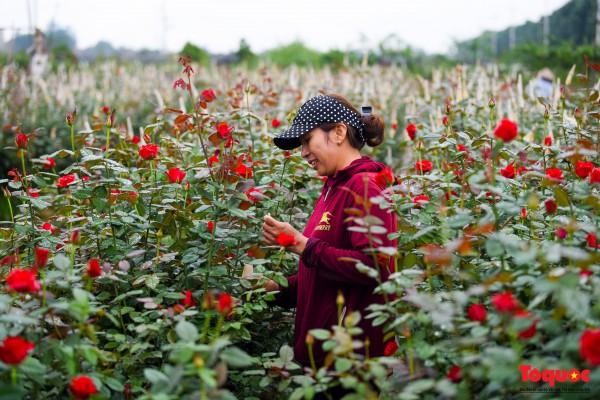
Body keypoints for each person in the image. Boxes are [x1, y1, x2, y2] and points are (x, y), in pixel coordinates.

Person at [261, 93, 398, 394]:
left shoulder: (365, 188)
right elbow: (324, 274)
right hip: (322, 363)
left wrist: (302, 244)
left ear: (338, 132)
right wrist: (276, 289)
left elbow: (374, 267)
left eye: (308, 140)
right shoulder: (333, 189)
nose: (304, 152)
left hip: (350, 366)